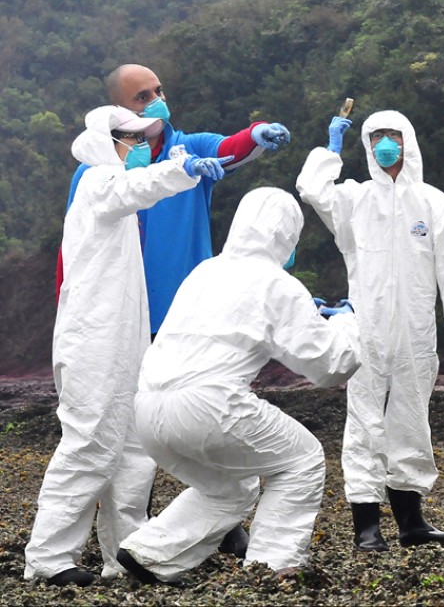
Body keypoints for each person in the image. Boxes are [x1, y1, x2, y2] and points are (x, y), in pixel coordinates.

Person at [56, 63, 290, 556]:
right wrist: (70, 312)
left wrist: (257, 134)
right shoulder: (105, 176)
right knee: (131, 434)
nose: (157, 102)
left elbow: (230, 147)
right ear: (118, 113)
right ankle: (120, 540)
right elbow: (71, 254)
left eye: (159, 90)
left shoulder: (190, 148)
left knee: (201, 414)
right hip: (127, 318)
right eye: (143, 97)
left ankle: (219, 519)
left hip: (192, 315)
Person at [24, 106, 233, 587]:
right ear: (105, 140)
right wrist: (180, 169)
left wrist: (176, 166)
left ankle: (126, 554)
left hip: (125, 336)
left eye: (143, 139)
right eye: (130, 138)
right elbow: (135, 187)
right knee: (89, 442)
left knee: (134, 447)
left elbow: (139, 191)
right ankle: (49, 558)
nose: (139, 146)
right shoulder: (98, 181)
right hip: (93, 340)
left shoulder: (120, 207)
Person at [115, 187, 362, 585]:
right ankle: (272, 565)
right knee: (302, 460)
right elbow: (331, 366)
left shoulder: (205, 271)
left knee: (231, 488)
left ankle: (149, 551)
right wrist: (347, 321)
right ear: (286, 237)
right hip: (208, 407)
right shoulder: (277, 284)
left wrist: (306, 316)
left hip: (147, 410)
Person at [296, 109, 444, 552]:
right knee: (364, 423)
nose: (385, 143)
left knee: (412, 422)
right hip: (367, 329)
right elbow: (311, 189)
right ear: (366, 143)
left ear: (408, 140)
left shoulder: (433, 202)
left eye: (392, 135)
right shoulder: (354, 200)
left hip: (416, 332)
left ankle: (412, 522)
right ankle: (366, 527)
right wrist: (330, 150)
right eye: (376, 136)